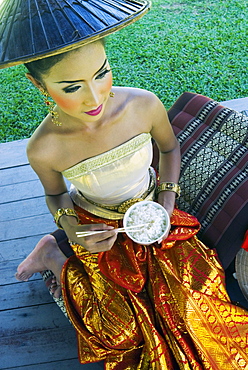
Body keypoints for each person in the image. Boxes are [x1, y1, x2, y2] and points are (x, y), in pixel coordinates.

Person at [14, 39, 248, 369]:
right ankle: (54, 254)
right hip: (100, 226)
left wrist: (166, 200)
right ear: (38, 84)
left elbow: (168, 150)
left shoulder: (143, 104)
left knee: (197, 300)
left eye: (101, 74)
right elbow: (56, 195)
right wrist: (73, 230)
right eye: (71, 87)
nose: (94, 98)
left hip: (155, 214)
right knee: (119, 332)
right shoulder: (44, 147)